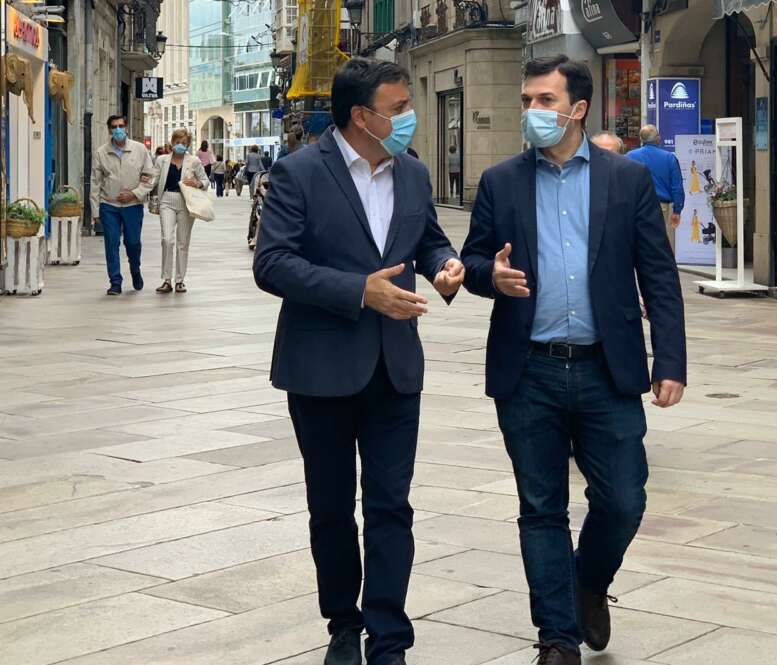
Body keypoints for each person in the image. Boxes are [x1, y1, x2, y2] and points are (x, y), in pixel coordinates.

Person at [459, 55, 687, 665]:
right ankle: (557, 638)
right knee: (541, 509)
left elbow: (659, 276)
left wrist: (670, 359)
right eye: (527, 99)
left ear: (578, 108)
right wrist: (491, 276)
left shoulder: (626, 180)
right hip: (527, 369)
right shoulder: (501, 181)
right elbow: (474, 262)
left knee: (623, 499)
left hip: (605, 369)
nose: (532, 111)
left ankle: (588, 580)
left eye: (544, 100)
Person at [253, 57, 464, 665]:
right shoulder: (298, 173)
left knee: (391, 504)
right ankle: (342, 625)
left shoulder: (414, 174)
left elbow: (426, 240)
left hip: (395, 368)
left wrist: (446, 266)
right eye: (398, 109)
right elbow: (272, 264)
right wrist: (357, 290)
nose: (408, 119)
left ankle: (389, 637)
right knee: (331, 506)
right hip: (320, 367)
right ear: (360, 117)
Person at [90, 114, 157, 296]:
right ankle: (115, 282)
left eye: (120, 125)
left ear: (125, 127)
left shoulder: (140, 149)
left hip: (133, 205)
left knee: (132, 242)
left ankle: (135, 269)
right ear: (109, 130)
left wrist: (134, 194)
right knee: (111, 243)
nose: (118, 129)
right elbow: (95, 182)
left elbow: (150, 177)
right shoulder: (101, 153)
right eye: (114, 126)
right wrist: (95, 210)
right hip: (109, 205)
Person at [151, 128, 211, 295]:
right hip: (166, 201)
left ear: (188, 145)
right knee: (167, 239)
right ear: (172, 142)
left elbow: (206, 181)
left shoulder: (194, 161)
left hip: (186, 202)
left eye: (183, 143)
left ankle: (180, 280)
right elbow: (152, 179)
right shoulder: (162, 160)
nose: (180, 145)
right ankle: (166, 279)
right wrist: (142, 180)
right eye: (177, 142)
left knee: (183, 242)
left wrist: (197, 183)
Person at [626, 125, 685, 251]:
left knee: (637, 242)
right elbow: (677, 186)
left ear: (641, 139)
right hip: (662, 207)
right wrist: (677, 210)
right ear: (658, 139)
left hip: (635, 205)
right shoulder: (669, 158)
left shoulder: (629, 156)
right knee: (664, 245)